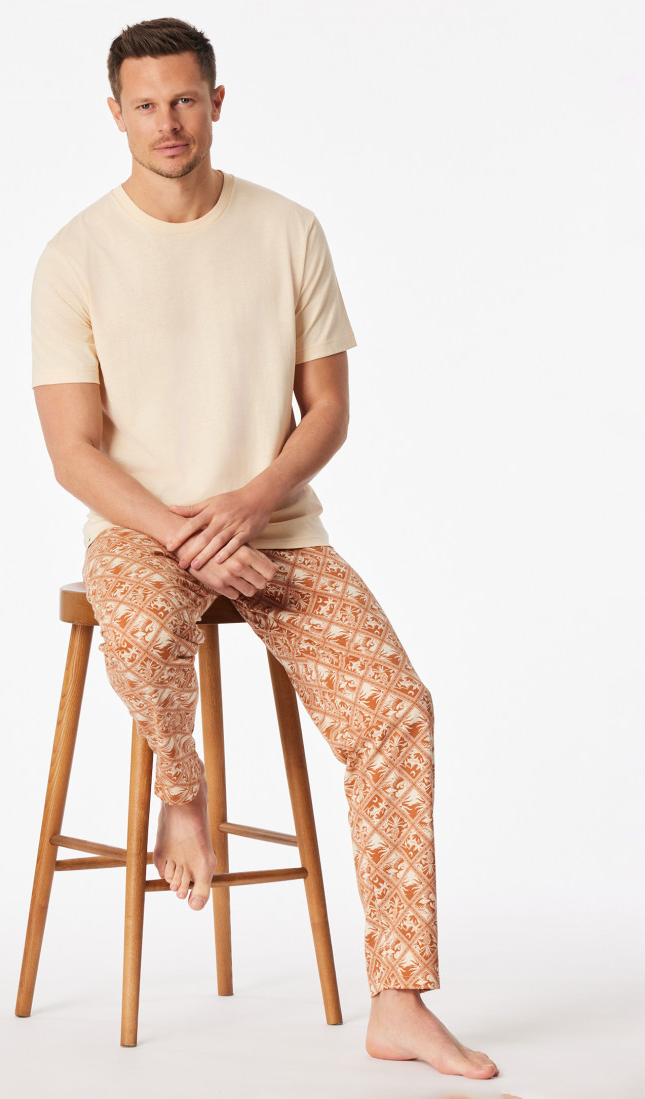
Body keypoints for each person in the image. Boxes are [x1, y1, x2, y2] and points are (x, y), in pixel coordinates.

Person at [30, 16, 498, 1081]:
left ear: (216, 102)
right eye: (146, 104)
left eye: (185, 100)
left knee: (396, 710)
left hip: (273, 527)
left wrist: (246, 505)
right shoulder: (73, 255)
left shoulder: (288, 229)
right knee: (141, 624)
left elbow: (326, 411)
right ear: (116, 115)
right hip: (142, 535)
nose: (168, 121)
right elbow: (72, 452)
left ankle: (399, 1000)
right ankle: (182, 797)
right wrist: (184, 536)